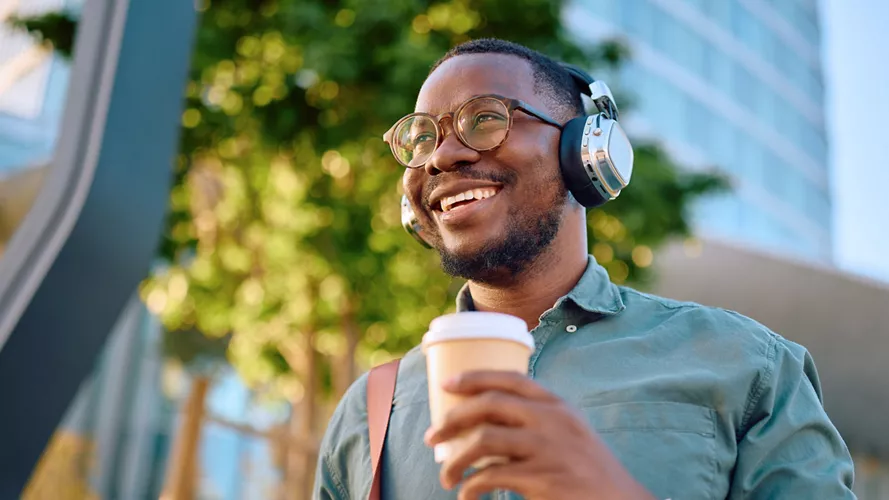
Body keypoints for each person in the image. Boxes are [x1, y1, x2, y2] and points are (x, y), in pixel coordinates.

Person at [313, 38, 856, 500]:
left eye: (485, 119)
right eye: (422, 137)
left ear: (586, 152)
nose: (440, 157)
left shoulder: (747, 366)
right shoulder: (370, 412)